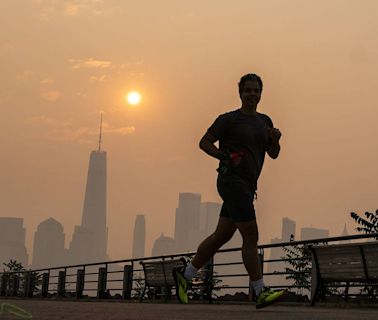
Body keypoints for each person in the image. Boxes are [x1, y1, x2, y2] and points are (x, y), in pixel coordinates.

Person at [173, 73, 285, 309]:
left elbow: (273, 154)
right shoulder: (228, 120)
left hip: (247, 185)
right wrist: (223, 156)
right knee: (251, 235)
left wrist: (275, 139)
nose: (252, 94)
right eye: (248, 90)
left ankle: (185, 276)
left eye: (256, 90)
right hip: (231, 181)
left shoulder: (265, 121)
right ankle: (260, 291)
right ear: (240, 93)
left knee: (221, 236)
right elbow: (204, 142)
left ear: (261, 94)